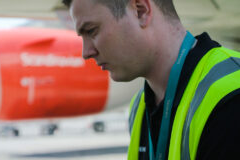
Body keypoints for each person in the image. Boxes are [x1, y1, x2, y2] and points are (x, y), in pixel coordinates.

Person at [62, 0, 240, 160]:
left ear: (140, 11)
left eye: (91, 31)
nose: (86, 52)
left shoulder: (231, 97)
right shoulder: (140, 107)